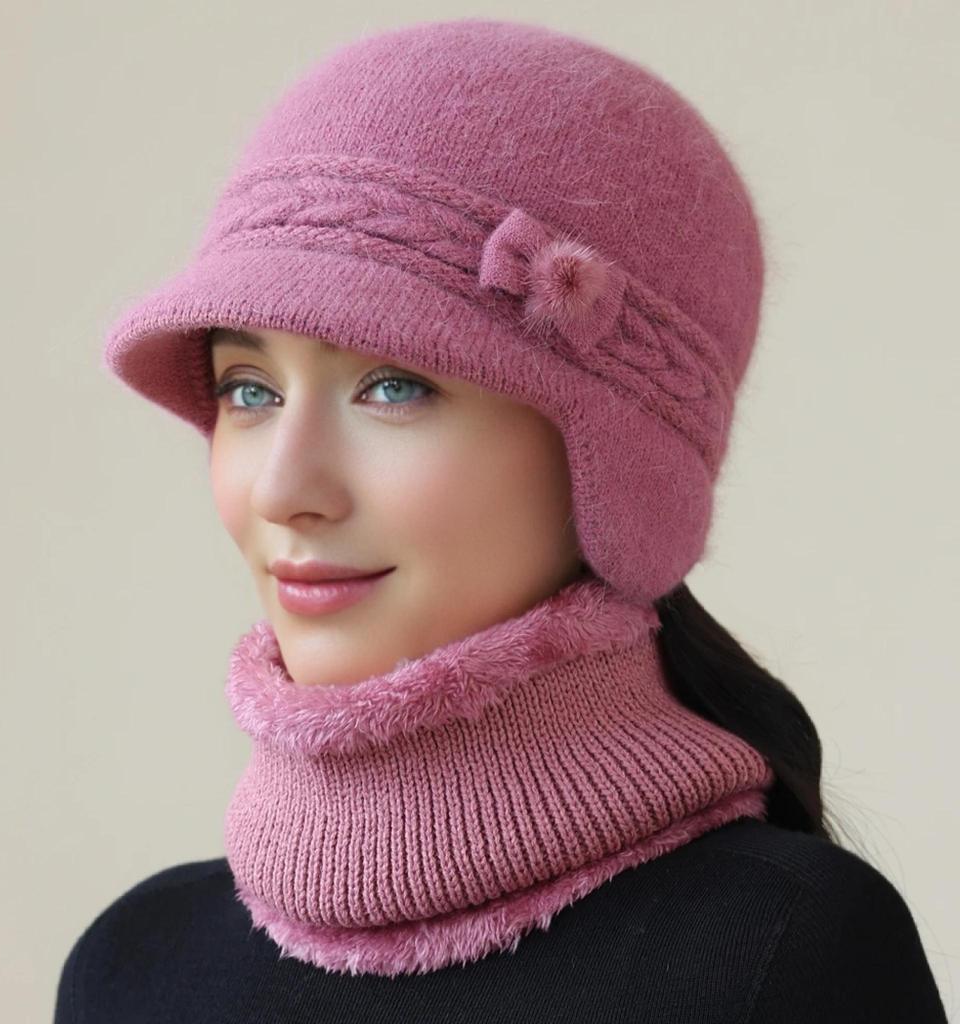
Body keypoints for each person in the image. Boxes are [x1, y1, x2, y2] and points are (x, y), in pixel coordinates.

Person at [53, 17, 948, 1022]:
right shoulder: (131, 965)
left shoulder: (777, 951)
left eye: (394, 385)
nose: (280, 488)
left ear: (617, 463)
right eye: (248, 389)